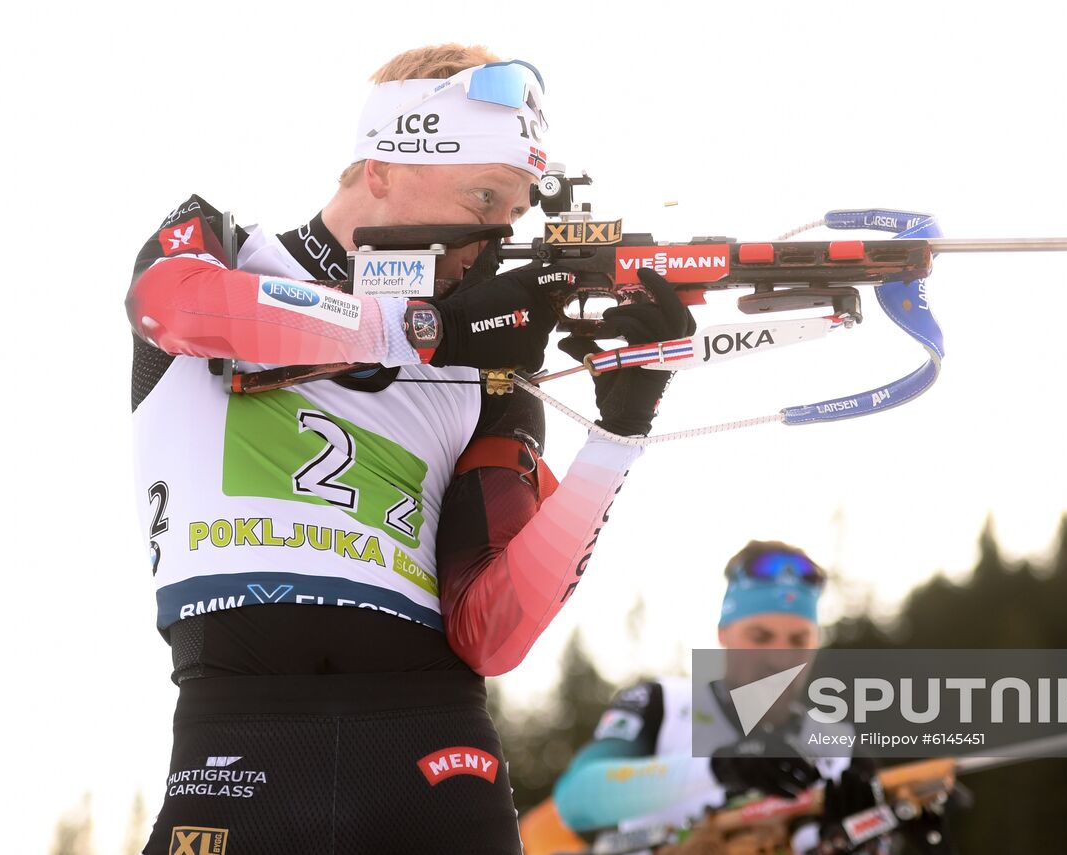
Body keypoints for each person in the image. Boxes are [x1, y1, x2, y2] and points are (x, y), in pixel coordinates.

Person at [126, 43, 693, 854]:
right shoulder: (223, 248)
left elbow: (491, 632)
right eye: (485, 195)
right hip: (241, 734)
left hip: (433, 746)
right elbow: (172, 309)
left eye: (517, 210)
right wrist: (420, 329)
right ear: (383, 165)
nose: (499, 233)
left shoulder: (487, 362)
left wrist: (617, 437)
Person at [540, 541, 883, 854]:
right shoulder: (664, 705)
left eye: (798, 640)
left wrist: (858, 838)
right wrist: (717, 766)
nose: (780, 658)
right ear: (724, 634)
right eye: (760, 636)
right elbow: (577, 799)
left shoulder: (841, 748)